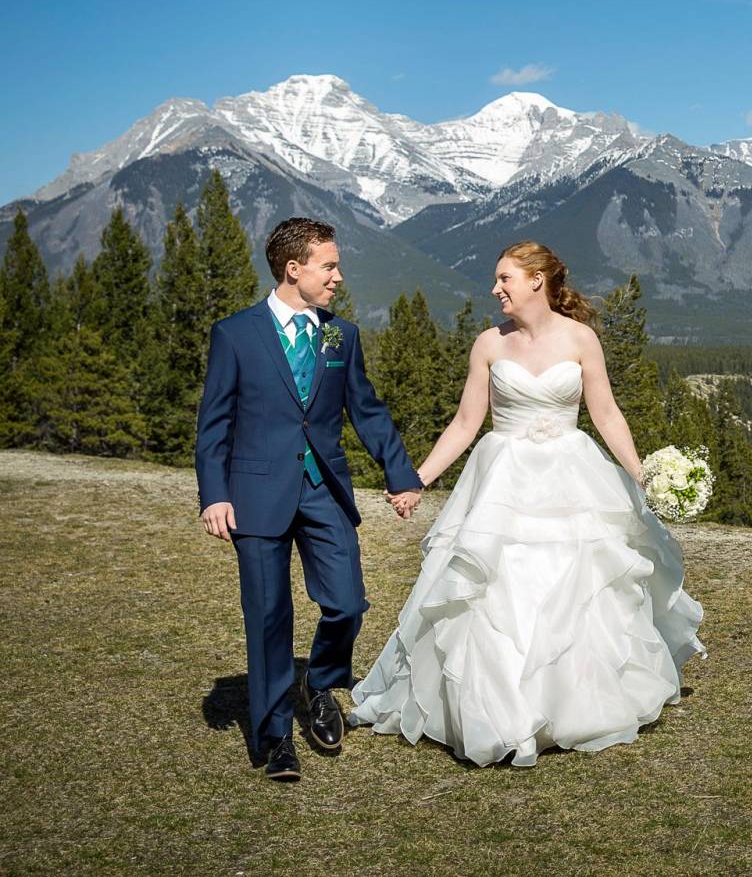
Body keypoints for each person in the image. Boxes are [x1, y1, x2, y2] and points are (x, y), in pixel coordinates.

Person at [347, 241, 707, 766]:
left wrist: (642, 474)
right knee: (495, 590)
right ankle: (496, 709)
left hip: (570, 476)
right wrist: (417, 478)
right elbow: (466, 423)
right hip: (503, 483)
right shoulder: (488, 344)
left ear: (537, 279)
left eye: (504, 279)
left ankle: (574, 704)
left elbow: (605, 414)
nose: (496, 290)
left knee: (578, 588)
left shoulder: (581, 339)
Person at [195, 217, 424, 782]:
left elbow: (365, 411)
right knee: (268, 618)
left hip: (325, 489)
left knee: (347, 602)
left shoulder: (338, 336)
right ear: (294, 269)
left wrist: (401, 475)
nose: (338, 276)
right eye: (329, 265)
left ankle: (321, 684)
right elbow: (214, 425)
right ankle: (275, 739)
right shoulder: (235, 334)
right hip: (254, 496)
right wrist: (214, 495)